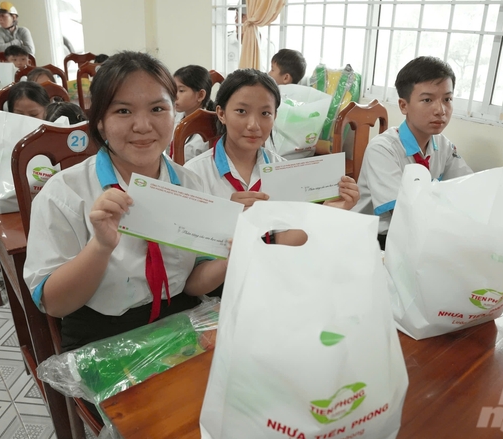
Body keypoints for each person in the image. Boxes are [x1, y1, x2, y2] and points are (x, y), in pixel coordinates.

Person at [23, 51, 227, 355]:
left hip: (180, 317)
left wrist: (232, 254)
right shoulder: (64, 194)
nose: (143, 126)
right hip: (103, 332)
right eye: (123, 111)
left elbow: (193, 281)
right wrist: (100, 247)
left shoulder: (190, 186)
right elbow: (54, 303)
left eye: (158, 108)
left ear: (175, 113)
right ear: (100, 122)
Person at [355, 56, 503, 254]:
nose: (440, 110)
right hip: (376, 243)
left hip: (419, 239)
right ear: (403, 105)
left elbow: (474, 194)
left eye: (447, 99)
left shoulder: (443, 147)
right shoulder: (383, 150)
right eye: (427, 100)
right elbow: (407, 215)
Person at [184, 68, 359, 245]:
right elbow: (187, 250)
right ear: (221, 114)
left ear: (275, 116)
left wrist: (330, 211)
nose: (254, 125)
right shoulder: (193, 175)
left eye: (265, 113)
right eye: (241, 111)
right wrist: (225, 217)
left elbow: (285, 241)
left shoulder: (281, 170)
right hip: (220, 271)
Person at [172, 65, 215, 162]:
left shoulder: (210, 128)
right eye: (174, 90)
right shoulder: (177, 115)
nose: (174, 96)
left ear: (200, 95)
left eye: (181, 91)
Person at [223, 1, 275, 73]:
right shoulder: (225, 42)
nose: (236, 20)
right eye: (236, 15)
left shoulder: (269, 47)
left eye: (241, 16)